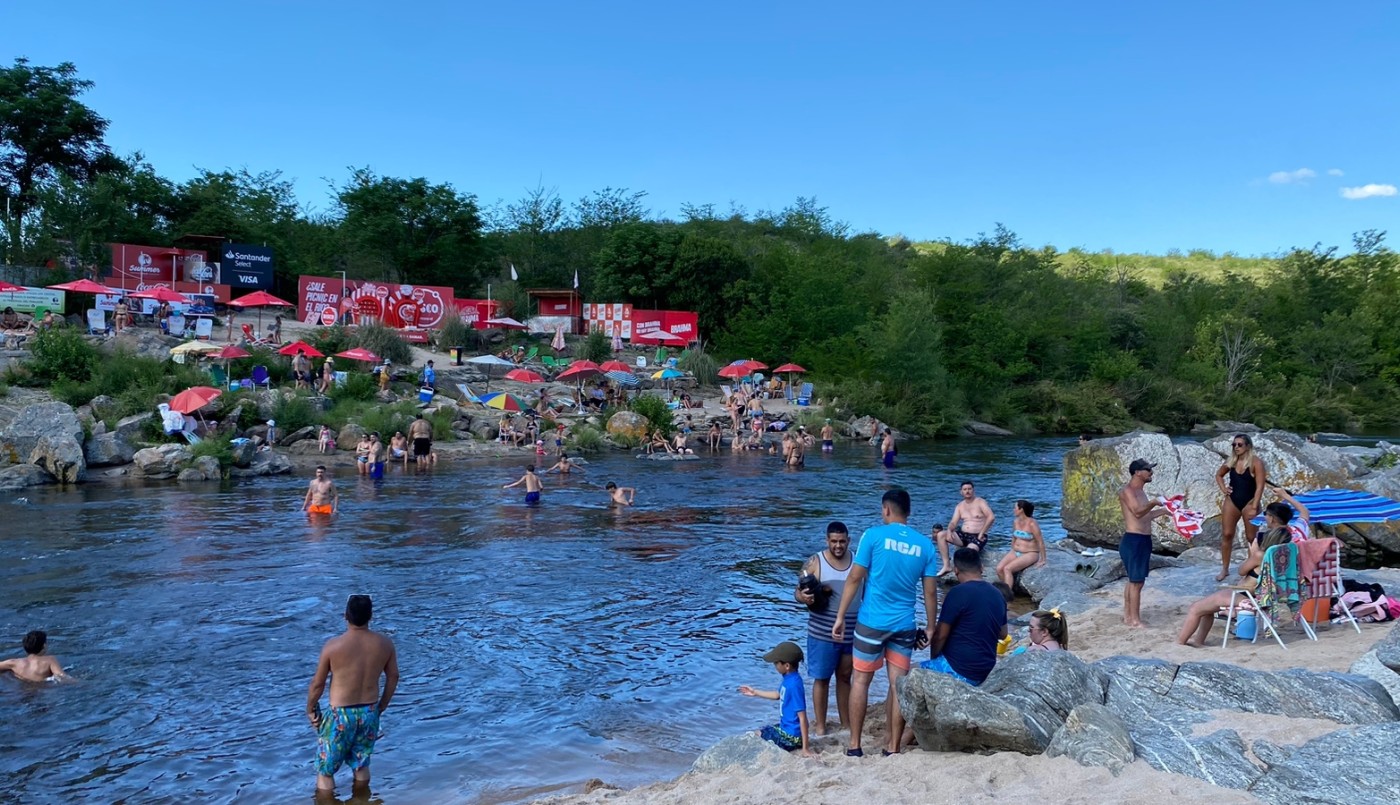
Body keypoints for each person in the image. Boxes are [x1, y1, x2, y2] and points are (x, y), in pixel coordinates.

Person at [832, 489, 937, 757]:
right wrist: (931, 626)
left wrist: (841, 616)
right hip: (904, 624)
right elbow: (930, 592)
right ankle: (892, 747)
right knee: (896, 685)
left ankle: (855, 745)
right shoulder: (925, 545)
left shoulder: (873, 536)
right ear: (908, 512)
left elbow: (854, 578)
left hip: (871, 622)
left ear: (886, 509)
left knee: (860, 681)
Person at [306, 595, 399, 795]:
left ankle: (327, 801)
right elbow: (393, 677)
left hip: (340, 715)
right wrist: (382, 706)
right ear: (370, 616)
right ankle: (362, 799)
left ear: (345, 615)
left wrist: (310, 708)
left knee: (326, 770)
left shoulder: (333, 646)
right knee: (361, 764)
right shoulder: (385, 644)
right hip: (369, 711)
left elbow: (317, 684)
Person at [1175, 501, 1302, 646]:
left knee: (1196, 608)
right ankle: (1198, 641)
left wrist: (1253, 554)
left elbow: (1242, 571)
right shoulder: (1286, 552)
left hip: (1245, 595)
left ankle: (1180, 643)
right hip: (1267, 595)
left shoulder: (1261, 555)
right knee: (1206, 608)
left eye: (1266, 515)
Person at [795, 522, 860, 736]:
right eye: (834, 541)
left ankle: (846, 724)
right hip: (821, 631)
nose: (838, 546)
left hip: (851, 630)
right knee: (821, 678)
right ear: (827, 541)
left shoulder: (858, 561)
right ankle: (821, 727)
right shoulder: (815, 562)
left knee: (845, 676)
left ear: (848, 541)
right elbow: (797, 592)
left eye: (842, 541)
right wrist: (803, 597)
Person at [920, 548, 1008, 686]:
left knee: (905, 673)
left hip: (959, 670)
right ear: (982, 567)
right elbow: (1003, 634)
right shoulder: (998, 594)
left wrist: (934, 659)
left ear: (956, 570)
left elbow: (940, 636)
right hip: (985, 670)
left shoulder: (957, 593)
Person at [1119, 458, 1170, 628]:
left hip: (1143, 540)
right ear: (1137, 472)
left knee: (1134, 580)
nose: (1151, 473)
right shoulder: (1128, 491)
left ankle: (1128, 617)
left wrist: (1164, 511)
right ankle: (1135, 619)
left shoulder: (1141, 492)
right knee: (1137, 582)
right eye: (1148, 470)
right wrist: (1154, 502)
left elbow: (1146, 516)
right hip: (1133, 540)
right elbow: (1137, 512)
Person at [737, 641, 813, 756]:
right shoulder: (789, 678)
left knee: (755, 735)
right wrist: (755, 692)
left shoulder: (794, 685)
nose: (774, 665)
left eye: (776, 663)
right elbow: (778, 695)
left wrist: (805, 749)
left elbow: (802, 717)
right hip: (787, 729)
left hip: (791, 737)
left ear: (786, 666)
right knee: (764, 730)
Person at [1215, 433, 1267, 581]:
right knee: (1227, 534)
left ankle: (1251, 570)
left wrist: (1255, 506)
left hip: (1249, 501)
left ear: (1248, 446)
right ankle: (1225, 568)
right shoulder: (1231, 461)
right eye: (1234, 445)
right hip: (1232, 500)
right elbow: (1219, 475)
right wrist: (1224, 489)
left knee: (1251, 537)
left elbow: (1260, 486)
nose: (1236, 447)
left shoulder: (1256, 462)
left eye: (1239, 445)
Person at [936, 482, 996, 576]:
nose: (967, 491)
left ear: (973, 490)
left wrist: (982, 533)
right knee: (940, 535)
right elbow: (953, 522)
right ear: (961, 492)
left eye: (969, 489)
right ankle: (946, 566)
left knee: (968, 552)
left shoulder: (980, 502)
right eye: (965, 489)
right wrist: (949, 530)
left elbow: (991, 517)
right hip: (963, 535)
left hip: (978, 536)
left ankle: (974, 571)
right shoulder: (960, 506)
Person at [994, 500, 1047, 588]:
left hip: (1030, 553)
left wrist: (1043, 559)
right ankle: (1008, 589)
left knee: (1007, 569)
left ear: (1021, 509)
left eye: (1015, 508)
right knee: (999, 569)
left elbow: (1040, 542)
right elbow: (1014, 537)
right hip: (1016, 551)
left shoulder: (1032, 523)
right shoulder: (1015, 522)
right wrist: (1012, 550)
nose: (1013, 510)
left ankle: (1007, 594)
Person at [0, 630, 69, 682]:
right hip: (40, 691)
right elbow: (62, 677)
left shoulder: (13, 663)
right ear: (44, 646)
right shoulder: (50, 660)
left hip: (21, 691)